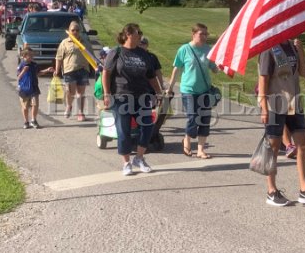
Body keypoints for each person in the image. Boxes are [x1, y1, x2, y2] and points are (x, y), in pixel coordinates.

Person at [257, 38, 305, 206]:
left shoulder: (292, 46)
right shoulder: (268, 48)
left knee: (304, 144)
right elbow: (263, 78)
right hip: (274, 104)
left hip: (294, 103)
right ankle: (271, 191)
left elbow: (302, 71)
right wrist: (263, 106)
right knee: (273, 147)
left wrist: (300, 50)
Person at [101, 23, 162, 176]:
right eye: (137, 32)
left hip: (142, 97)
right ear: (128, 34)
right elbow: (106, 73)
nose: (140, 35)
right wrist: (107, 94)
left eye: (140, 32)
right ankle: (126, 163)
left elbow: (151, 76)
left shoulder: (143, 54)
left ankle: (139, 158)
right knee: (124, 131)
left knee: (147, 127)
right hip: (121, 97)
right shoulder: (116, 52)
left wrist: (158, 92)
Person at [165, 24, 218, 159]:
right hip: (189, 90)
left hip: (205, 90)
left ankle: (201, 150)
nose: (204, 36)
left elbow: (214, 69)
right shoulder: (185, 49)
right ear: (193, 34)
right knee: (193, 117)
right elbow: (176, 69)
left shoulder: (208, 49)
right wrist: (170, 87)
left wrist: (221, 64)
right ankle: (187, 140)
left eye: (206, 34)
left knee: (204, 119)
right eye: (201, 34)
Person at [54, 20, 93, 121]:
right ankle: (69, 106)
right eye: (73, 30)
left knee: (80, 93)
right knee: (70, 92)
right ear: (69, 31)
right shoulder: (65, 43)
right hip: (69, 70)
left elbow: (91, 56)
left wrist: (96, 67)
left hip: (83, 70)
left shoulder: (85, 42)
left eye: (77, 30)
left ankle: (80, 113)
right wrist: (57, 71)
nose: (75, 32)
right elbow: (59, 57)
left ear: (80, 31)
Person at [16, 47, 42, 129]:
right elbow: (18, 77)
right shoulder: (21, 65)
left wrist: (47, 70)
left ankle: (33, 120)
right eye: (29, 55)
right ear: (24, 56)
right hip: (24, 89)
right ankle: (26, 121)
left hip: (34, 88)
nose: (31, 57)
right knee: (25, 107)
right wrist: (23, 71)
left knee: (35, 104)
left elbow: (38, 74)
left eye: (32, 55)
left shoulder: (34, 64)